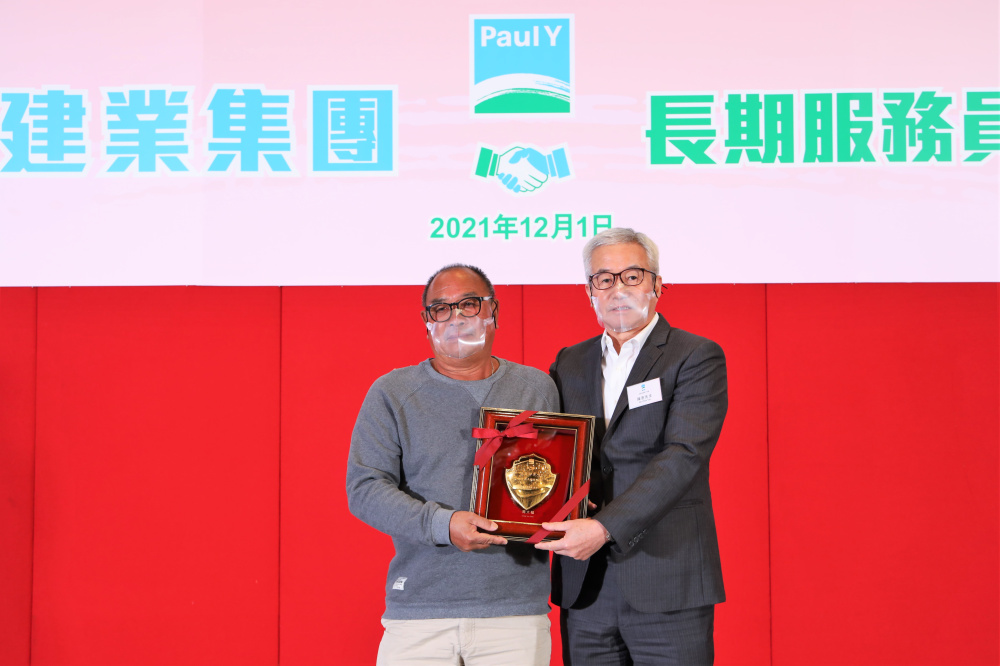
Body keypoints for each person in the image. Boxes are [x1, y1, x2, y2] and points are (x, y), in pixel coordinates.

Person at [346, 264, 560, 665]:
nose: (455, 317)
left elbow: (557, 475)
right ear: (426, 321)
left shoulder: (536, 388)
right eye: (441, 308)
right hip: (419, 612)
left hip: (515, 611)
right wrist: (442, 525)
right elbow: (365, 489)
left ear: (493, 310)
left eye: (469, 304)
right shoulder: (392, 392)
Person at [535, 228, 728, 665]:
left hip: (667, 578)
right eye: (604, 279)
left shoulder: (695, 356)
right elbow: (554, 450)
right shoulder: (569, 362)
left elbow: (684, 456)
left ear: (657, 284)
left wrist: (603, 528)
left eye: (632, 276)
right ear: (589, 292)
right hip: (585, 585)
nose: (617, 289)